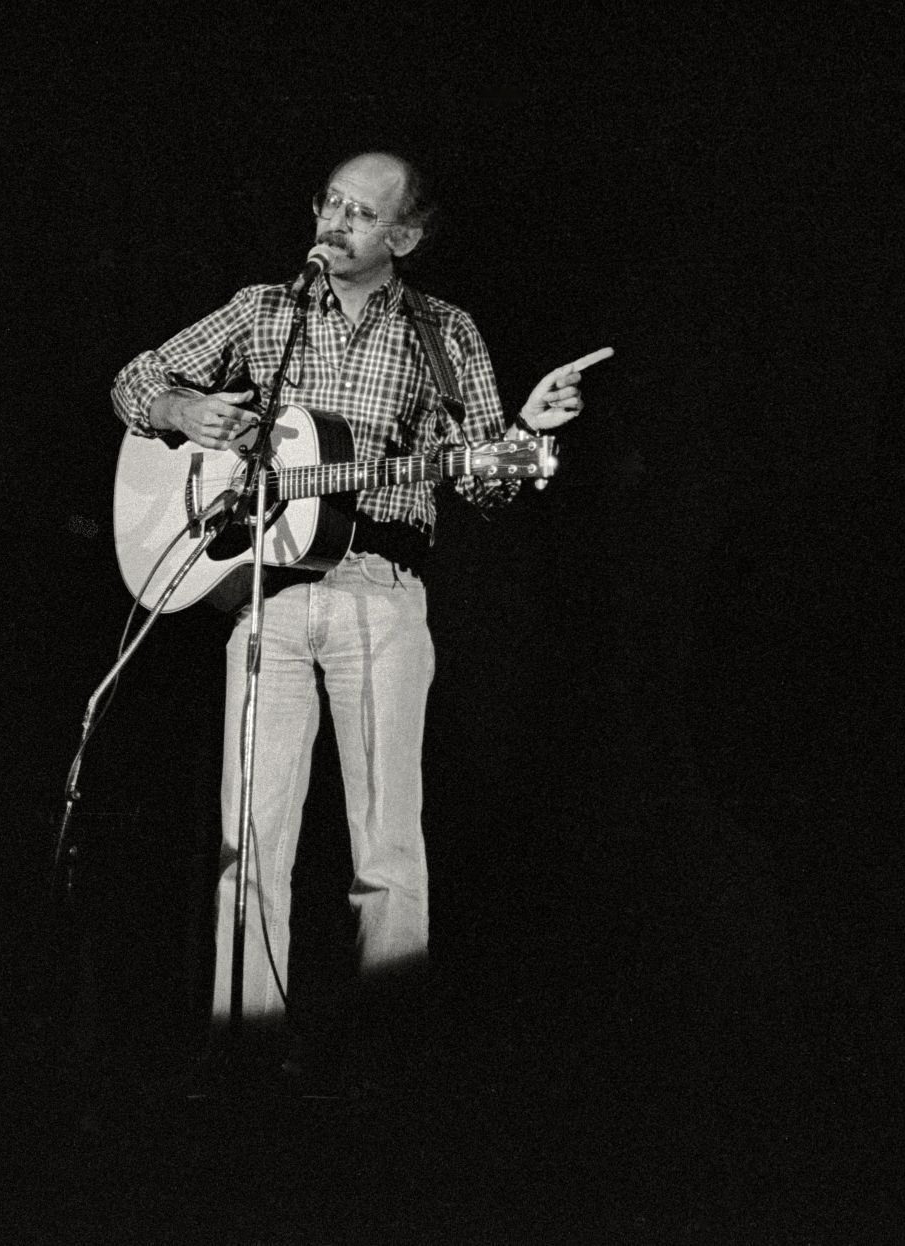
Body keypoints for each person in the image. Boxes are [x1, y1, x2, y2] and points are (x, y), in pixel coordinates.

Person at [110, 151, 608, 1066]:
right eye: (330, 203)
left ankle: (390, 1066)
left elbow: (486, 479)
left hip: (379, 592)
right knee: (247, 847)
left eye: (361, 214)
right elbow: (134, 380)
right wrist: (184, 410)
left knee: (385, 853)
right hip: (265, 599)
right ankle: (243, 1056)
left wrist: (525, 438)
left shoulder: (443, 331)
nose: (335, 222)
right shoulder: (265, 309)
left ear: (403, 238)